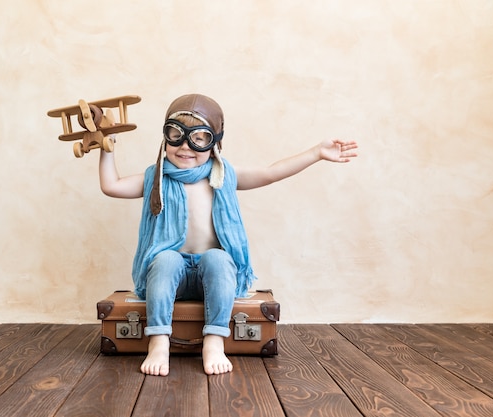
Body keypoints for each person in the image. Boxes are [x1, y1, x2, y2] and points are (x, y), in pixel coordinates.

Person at [98, 94, 357, 376]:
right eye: (176, 135)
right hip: (169, 277)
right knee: (165, 259)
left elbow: (271, 173)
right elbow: (111, 186)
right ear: (165, 138)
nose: (185, 146)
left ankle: (214, 341)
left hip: (213, 277)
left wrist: (316, 152)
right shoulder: (155, 177)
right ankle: (159, 342)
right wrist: (106, 149)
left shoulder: (224, 175)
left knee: (218, 258)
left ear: (215, 143)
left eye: (198, 138)